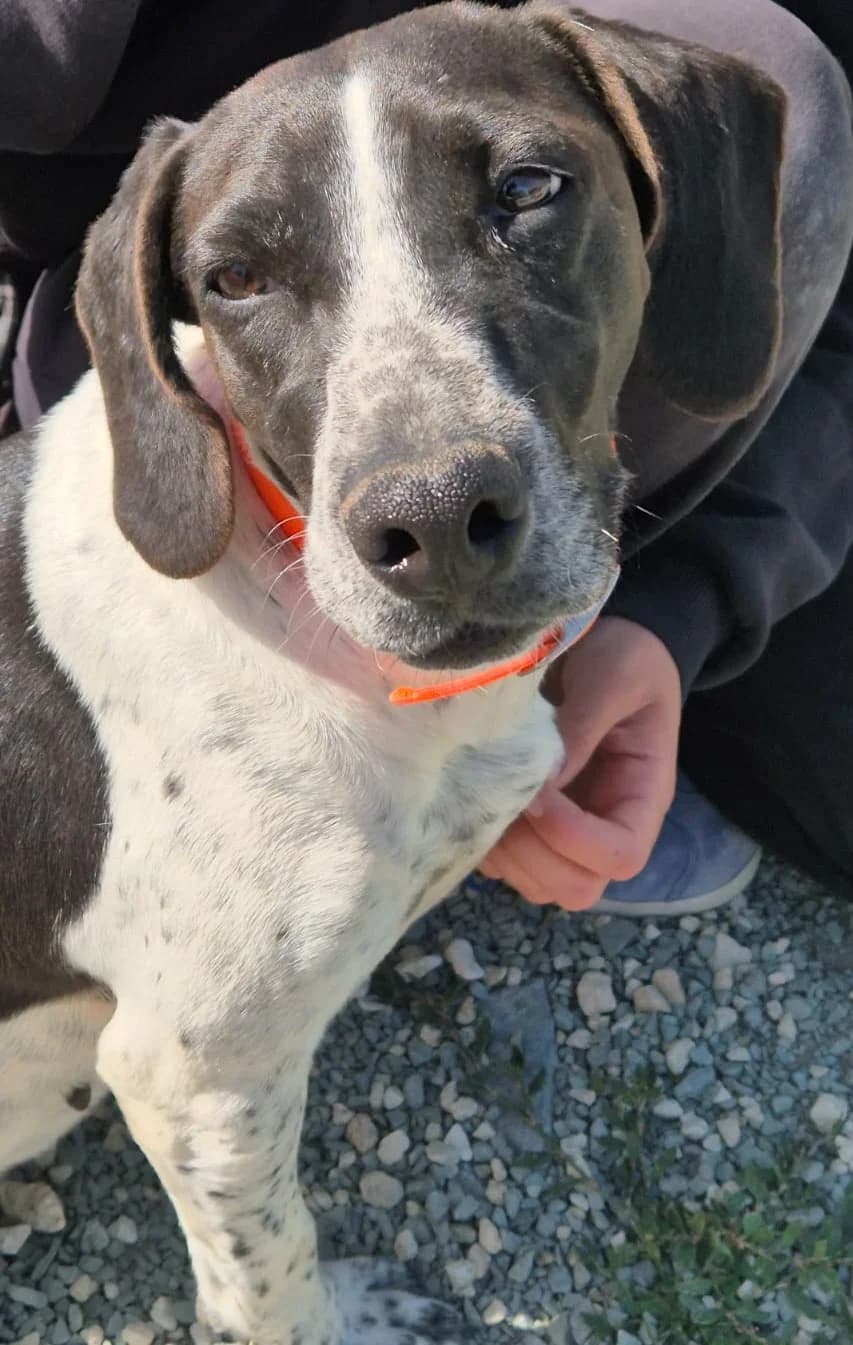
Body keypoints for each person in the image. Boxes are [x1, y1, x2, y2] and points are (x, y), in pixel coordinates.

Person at [1, 0, 851, 919]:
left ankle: (541, 697)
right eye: (243, 278)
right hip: (127, 382)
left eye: (526, 190)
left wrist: (674, 609)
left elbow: (792, 221)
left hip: (677, 438)